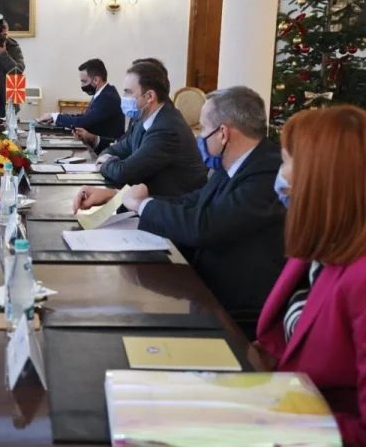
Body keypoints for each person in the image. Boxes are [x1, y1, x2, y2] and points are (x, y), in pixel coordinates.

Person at [118, 86, 286, 333]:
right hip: (207, 288)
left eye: (204, 128)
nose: (200, 136)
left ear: (223, 134)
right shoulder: (235, 163)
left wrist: (143, 205)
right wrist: (127, 201)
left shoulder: (267, 172)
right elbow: (194, 201)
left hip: (236, 310)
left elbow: (205, 227)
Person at [255, 106, 366, 445]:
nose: (280, 175)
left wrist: (280, 422)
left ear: (318, 178)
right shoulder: (317, 249)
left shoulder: (360, 277)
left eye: (285, 161)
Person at [74, 62, 206, 200]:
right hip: (148, 197)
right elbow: (119, 148)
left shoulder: (167, 129)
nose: (123, 97)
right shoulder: (142, 120)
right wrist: (107, 157)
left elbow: (124, 173)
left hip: (174, 205)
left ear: (149, 97)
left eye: (128, 92)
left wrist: (105, 164)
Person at [74, 57, 170, 151]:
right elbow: (123, 144)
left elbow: (134, 157)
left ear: (150, 95)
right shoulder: (139, 116)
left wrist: (106, 159)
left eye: (128, 91)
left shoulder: (164, 127)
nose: (124, 97)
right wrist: (94, 139)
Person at [37, 58, 124, 140]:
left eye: (84, 81)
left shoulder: (107, 97)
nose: (82, 85)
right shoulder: (103, 93)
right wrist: (56, 116)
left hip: (106, 148)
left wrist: (54, 116)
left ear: (96, 80)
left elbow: (82, 122)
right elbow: (84, 117)